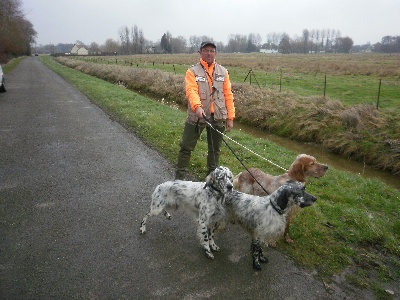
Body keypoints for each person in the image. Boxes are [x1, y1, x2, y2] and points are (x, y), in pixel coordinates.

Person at [175, 41, 235, 180]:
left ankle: (211, 182)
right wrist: (197, 107)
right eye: (206, 50)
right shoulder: (192, 71)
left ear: (216, 53)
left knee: (214, 151)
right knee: (186, 148)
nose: (209, 53)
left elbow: (228, 95)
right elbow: (191, 91)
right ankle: (178, 180)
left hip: (218, 117)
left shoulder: (223, 72)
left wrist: (230, 117)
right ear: (200, 52)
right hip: (197, 117)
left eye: (212, 50)